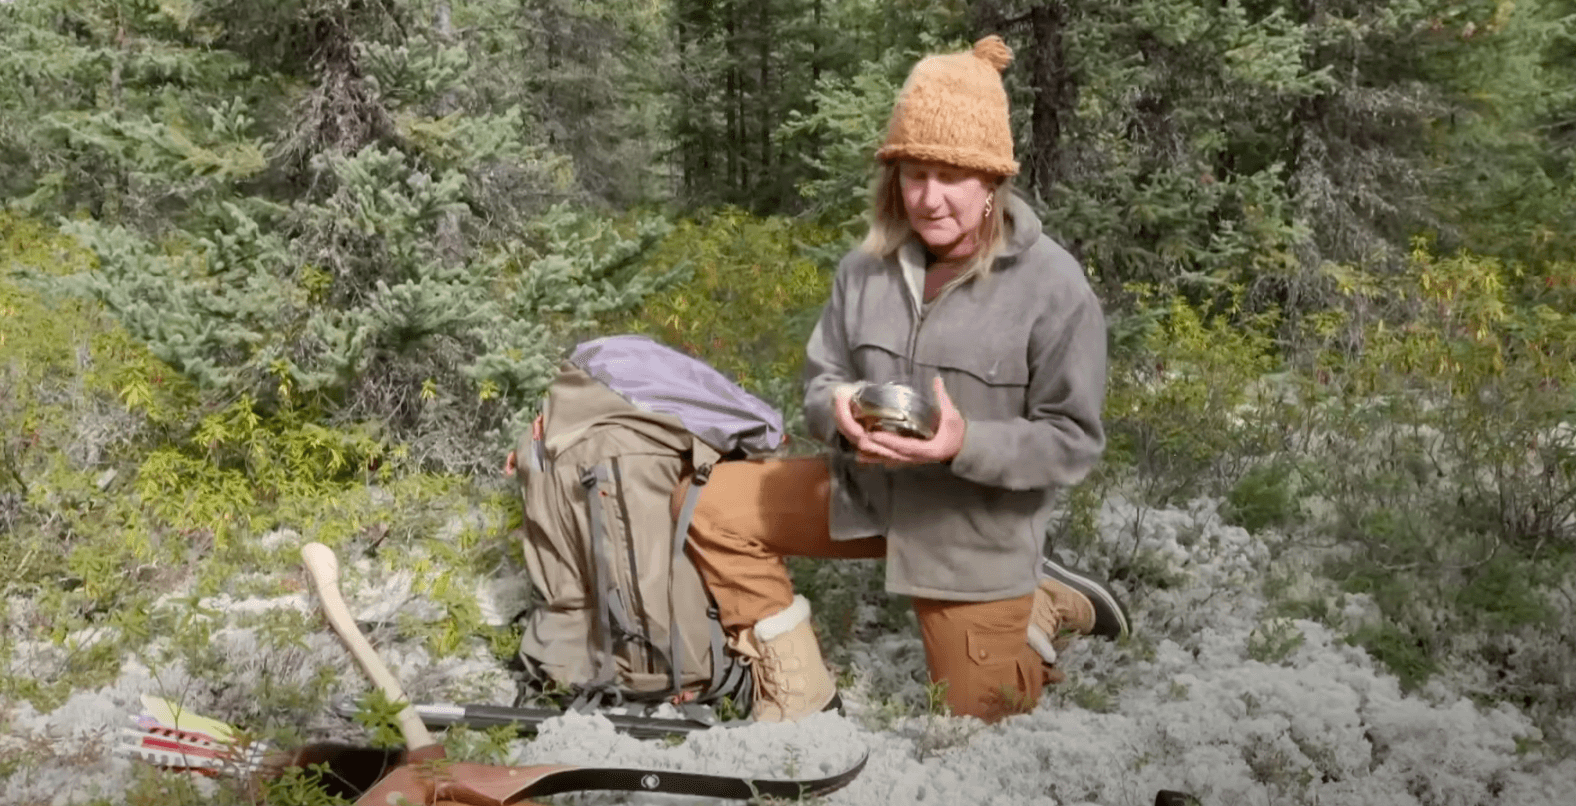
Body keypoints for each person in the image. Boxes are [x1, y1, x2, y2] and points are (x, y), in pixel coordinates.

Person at [673, 35, 1128, 723]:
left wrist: (961, 443)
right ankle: (801, 694)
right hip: (867, 489)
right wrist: (840, 405)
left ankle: (1044, 600)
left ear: (992, 182)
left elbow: (1071, 441)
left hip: (969, 525)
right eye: (914, 174)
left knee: (981, 718)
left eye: (952, 176)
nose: (929, 197)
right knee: (709, 505)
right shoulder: (866, 269)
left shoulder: (1053, 288)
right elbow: (822, 376)